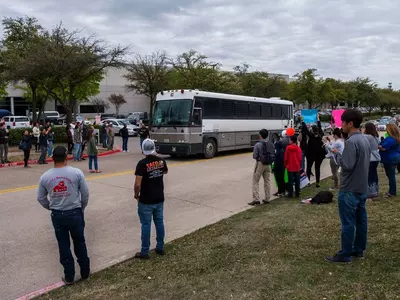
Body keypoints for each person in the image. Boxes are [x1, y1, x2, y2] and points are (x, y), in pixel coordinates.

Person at [37, 146, 90, 284]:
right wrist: (81, 208)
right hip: (75, 212)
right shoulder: (77, 173)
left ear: (52, 158)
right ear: (67, 158)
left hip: (58, 215)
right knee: (80, 242)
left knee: (63, 245)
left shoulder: (45, 177)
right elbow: (85, 194)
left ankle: (69, 276)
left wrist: (51, 207)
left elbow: (41, 198)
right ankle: (85, 272)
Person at [325, 109, 371, 263]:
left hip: (349, 188)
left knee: (348, 223)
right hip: (361, 187)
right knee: (360, 221)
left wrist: (336, 154)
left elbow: (347, 165)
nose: (341, 126)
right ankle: (358, 249)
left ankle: (345, 254)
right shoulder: (364, 139)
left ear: (350, 123)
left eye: (343, 122)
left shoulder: (351, 141)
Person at [134, 139, 168, 259]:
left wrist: (136, 195)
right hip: (159, 197)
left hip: (146, 200)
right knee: (159, 222)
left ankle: (145, 251)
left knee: (146, 225)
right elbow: (165, 172)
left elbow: (137, 184)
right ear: (154, 148)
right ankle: (160, 247)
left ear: (143, 149)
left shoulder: (142, 164)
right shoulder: (161, 161)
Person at [249, 129, 274, 206]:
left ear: (260, 135)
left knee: (255, 181)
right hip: (268, 164)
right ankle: (267, 198)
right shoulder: (271, 144)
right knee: (267, 181)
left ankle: (256, 199)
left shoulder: (257, 145)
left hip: (260, 163)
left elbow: (255, 156)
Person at [302, 115, 325, 188]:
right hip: (318, 155)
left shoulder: (311, 136)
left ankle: (308, 182)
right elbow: (320, 128)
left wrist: (303, 121)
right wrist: (318, 119)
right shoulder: (320, 135)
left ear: (312, 130)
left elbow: (305, 129)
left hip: (310, 155)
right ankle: (317, 182)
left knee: (308, 168)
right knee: (317, 168)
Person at [379, 123, 400, 198]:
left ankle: (392, 192)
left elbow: (383, 148)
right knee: (391, 175)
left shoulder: (390, 139)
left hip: (389, 158)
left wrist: (378, 146)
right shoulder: (397, 138)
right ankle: (392, 190)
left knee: (391, 176)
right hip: (397, 157)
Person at [363, 123, 381, 199]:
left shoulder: (367, 137)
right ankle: (375, 190)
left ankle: (371, 192)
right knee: (374, 174)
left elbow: (359, 137)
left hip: (370, 158)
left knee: (369, 176)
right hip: (376, 158)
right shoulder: (376, 137)